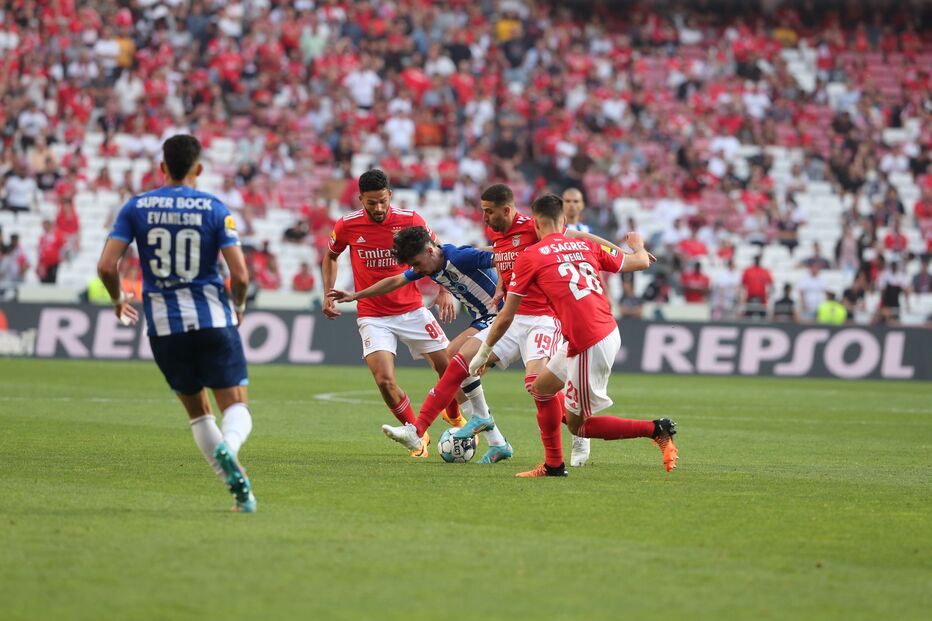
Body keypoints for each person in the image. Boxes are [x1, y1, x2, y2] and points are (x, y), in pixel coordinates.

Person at [380, 184, 625, 468]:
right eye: (483, 210)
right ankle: (418, 430)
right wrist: (502, 285)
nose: (484, 217)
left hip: (543, 318)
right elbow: (504, 258)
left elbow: (578, 237)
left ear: (505, 210)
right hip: (513, 316)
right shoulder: (497, 233)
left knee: (537, 386)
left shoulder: (534, 226)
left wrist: (618, 250)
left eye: (488, 211)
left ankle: (578, 427)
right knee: (458, 361)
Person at [96, 135, 256, 513]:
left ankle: (241, 494)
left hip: (164, 326)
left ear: (162, 167)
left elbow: (106, 266)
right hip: (212, 318)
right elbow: (240, 275)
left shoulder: (136, 207)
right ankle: (230, 446)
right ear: (198, 168)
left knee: (198, 412)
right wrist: (239, 305)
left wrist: (118, 300)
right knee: (236, 405)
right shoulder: (214, 207)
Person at [468, 194, 676, 477]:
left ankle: (656, 429)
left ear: (536, 225)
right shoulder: (586, 245)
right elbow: (639, 261)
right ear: (564, 220)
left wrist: (483, 353)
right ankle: (553, 465)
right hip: (598, 331)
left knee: (580, 426)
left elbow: (505, 316)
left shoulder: (531, 256)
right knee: (541, 389)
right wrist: (637, 243)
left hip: (590, 341)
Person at [330, 226, 514, 463]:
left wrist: (502, 287)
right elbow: (396, 280)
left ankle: (420, 430)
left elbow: (504, 257)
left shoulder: (459, 257)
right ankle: (496, 441)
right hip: (483, 318)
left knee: (453, 356)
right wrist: (356, 296)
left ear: (429, 250)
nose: (415, 270)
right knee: (455, 361)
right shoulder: (430, 265)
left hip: (502, 314)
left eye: (416, 264)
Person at [322, 169, 460, 458]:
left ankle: (453, 413)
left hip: (413, 309)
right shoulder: (347, 225)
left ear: (390, 196)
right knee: (384, 380)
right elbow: (331, 256)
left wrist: (444, 289)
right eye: (371, 202)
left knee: (448, 369)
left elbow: (438, 252)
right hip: (372, 315)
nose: (378, 208)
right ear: (361, 199)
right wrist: (328, 293)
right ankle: (416, 435)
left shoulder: (410, 220)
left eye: (383, 201)